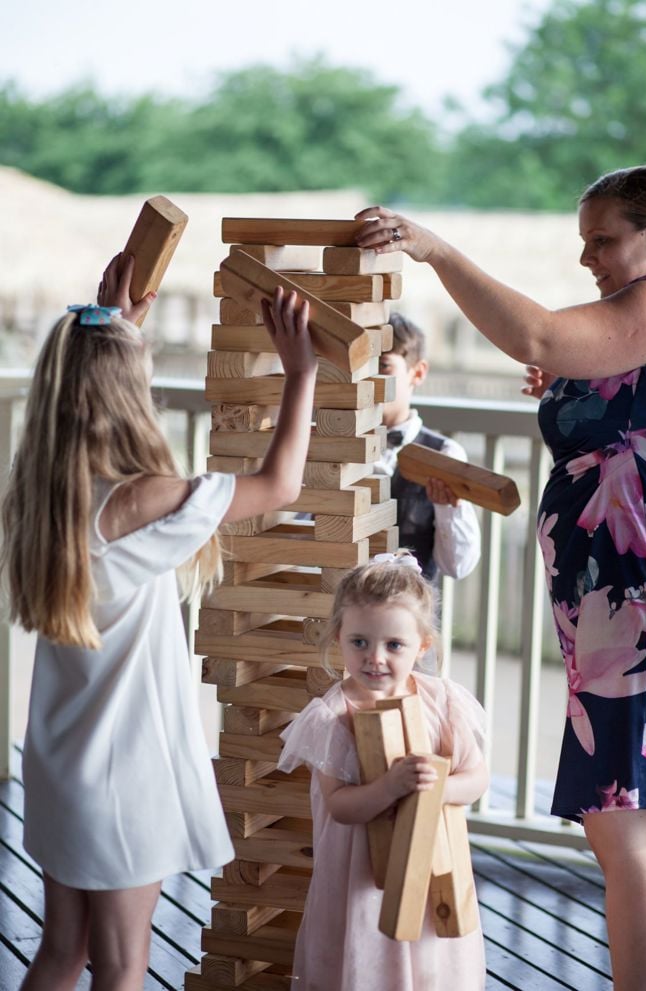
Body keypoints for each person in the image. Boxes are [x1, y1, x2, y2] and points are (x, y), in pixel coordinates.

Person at [354, 163, 646, 991]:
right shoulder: (634, 320)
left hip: (642, 615)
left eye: (604, 239)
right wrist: (575, 382)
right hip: (615, 615)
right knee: (631, 825)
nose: (588, 257)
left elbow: (537, 335)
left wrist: (434, 250)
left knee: (625, 827)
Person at [0, 253, 318, 991]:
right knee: (121, 965)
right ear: (128, 396)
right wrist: (300, 372)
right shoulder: (149, 499)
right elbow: (281, 483)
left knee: (60, 952)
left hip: (59, 764)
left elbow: (94, 364)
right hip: (124, 778)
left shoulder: (44, 499)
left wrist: (113, 329)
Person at [277, 552, 488, 991]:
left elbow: (476, 779)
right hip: (358, 884)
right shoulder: (331, 718)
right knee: (364, 968)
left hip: (431, 875)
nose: (375, 658)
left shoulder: (443, 702)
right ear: (338, 637)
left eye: (394, 645)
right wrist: (391, 787)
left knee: (429, 967)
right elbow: (340, 807)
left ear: (422, 646)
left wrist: (439, 788)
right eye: (359, 642)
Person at [376, 312, 481, 581]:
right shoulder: (336, 447)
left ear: (418, 372)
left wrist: (449, 507)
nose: (370, 379)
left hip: (409, 612)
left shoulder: (444, 454)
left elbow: (458, 565)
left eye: (383, 367)